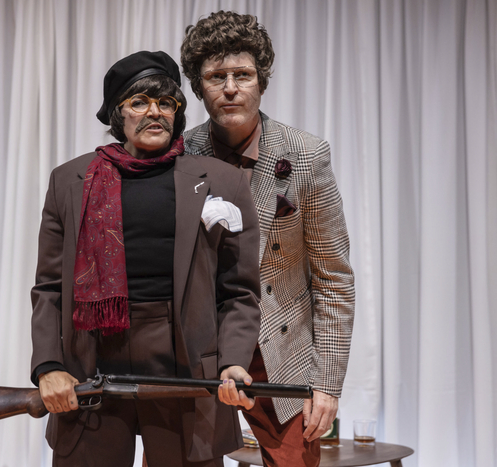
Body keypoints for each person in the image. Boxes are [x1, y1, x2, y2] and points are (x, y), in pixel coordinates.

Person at [30, 50, 262, 467]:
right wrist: (48, 366)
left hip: (185, 369)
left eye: (166, 102)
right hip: (92, 361)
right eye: (139, 102)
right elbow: (49, 288)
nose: (154, 112)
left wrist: (233, 362)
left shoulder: (222, 181)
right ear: (118, 114)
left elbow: (239, 292)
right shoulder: (69, 181)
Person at [180, 11, 355, 467]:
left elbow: (334, 278)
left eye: (242, 75)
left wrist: (327, 384)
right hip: (198, 350)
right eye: (216, 77)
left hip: (279, 348)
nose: (230, 88)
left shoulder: (306, 155)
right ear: (198, 87)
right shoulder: (180, 155)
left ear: (261, 81)